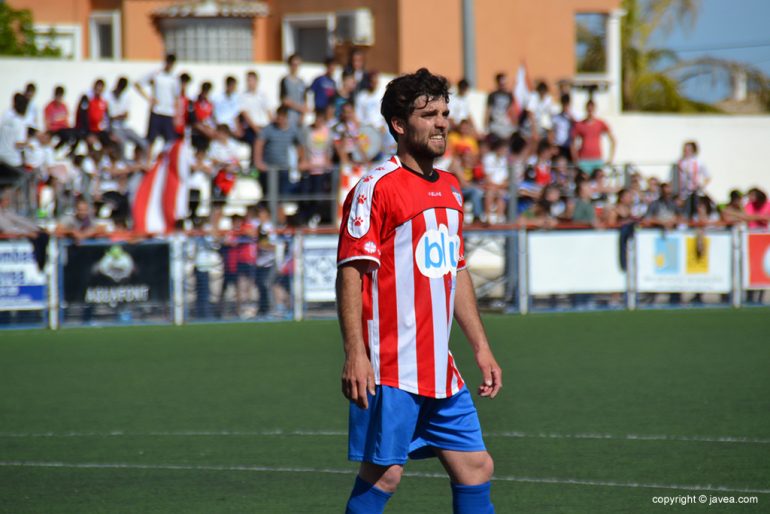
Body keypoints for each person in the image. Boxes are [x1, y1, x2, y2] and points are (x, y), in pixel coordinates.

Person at [336, 68, 501, 514]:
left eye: (445, 113)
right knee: (385, 474)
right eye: (429, 114)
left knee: (476, 468)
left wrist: (481, 348)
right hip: (390, 367)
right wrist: (355, 353)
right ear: (399, 125)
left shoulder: (451, 188)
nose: (442, 123)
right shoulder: (375, 188)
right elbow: (350, 272)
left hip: (439, 369)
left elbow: (456, 269)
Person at [135, 53, 179, 148]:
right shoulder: (156, 74)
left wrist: (176, 114)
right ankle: (148, 161)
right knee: (151, 140)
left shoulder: (174, 78)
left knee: (169, 141)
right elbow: (137, 84)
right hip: (157, 111)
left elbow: (176, 97)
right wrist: (149, 98)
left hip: (169, 113)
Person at [572, 99, 615, 174]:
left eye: (592, 109)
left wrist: (610, 158)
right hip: (584, 160)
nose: (590, 111)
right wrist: (576, 159)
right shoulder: (579, 125)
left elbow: (613, 140)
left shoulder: (600, 123)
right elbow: (572, 143)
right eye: (589, 109)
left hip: (597, 159)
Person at [279, 54, 308, 129]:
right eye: (293, 64)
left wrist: (302, 116)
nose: (295, 67)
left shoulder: (302, 82)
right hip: (288, 118)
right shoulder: (284, 81)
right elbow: (284, 100)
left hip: (299, 119)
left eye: (297, 65)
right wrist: (299, 108)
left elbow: (304, 101)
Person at [485, 72, 516, 139]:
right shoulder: (492, 95)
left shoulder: (509, 95)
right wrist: (486, 126)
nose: (503, 85)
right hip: (495, 123)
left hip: (505, 123)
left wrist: (514, 123)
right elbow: (488, 111)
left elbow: (511, 110)